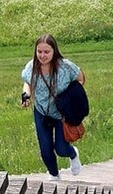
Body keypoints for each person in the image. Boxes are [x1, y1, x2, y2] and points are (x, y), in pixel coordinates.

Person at [20, 34, 84, 180]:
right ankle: (54, 175)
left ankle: (73, 153)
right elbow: (27, 82)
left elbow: (81, 79)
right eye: (39, 52)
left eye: (46, 52)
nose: (42, 55)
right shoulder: (32, 66)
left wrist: (71, 97)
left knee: (61, 149)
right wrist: (26, 95)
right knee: (45, 151)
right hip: (41, 111)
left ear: (54, 51)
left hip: (62, 113)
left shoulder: (66, 66)